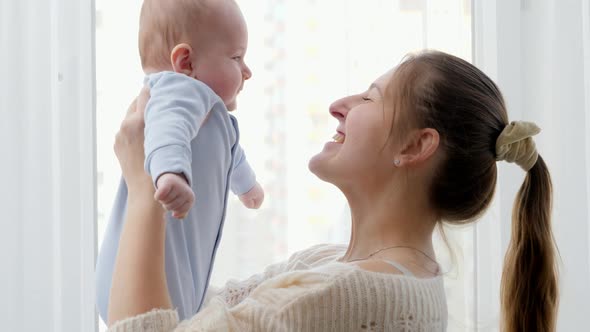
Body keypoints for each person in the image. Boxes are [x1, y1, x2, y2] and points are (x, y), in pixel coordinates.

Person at [106, 51, 559, 332]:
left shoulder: (341, 293)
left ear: (416, 145)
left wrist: (143, 187)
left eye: (369, 98)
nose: (338, 106)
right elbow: (199, 311)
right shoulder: (335, 266)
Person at [95, 0, 264, 323]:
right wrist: (169, 174)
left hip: (164, 277)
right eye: (236, 57)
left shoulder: (211, 113)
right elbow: (165, 133)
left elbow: (232, 153)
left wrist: (247, 184)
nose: (247, 71)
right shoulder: (178, 91)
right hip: (143, 275)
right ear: (185, 61)